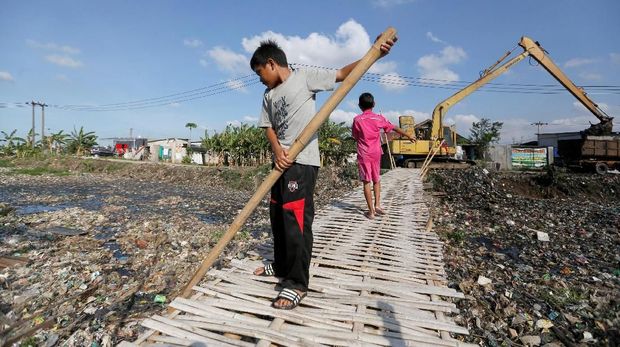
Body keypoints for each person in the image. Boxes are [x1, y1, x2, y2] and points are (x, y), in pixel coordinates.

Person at [250, 36, 396, 310]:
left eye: (260, 73)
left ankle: (296, 283)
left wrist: (373, 54)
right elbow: (267, 126)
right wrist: (276, 150)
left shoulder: (304, 78)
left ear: (271, 63)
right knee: (278, 217)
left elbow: (341, 74)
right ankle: (282, 265)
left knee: (296, 222)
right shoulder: (268, 95)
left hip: (302, 161)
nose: (260, 79)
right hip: (279, 164)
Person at [352, 92, 415, 220]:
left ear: (359, 106)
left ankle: (371, 212)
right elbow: (394, 128)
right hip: (376, 153)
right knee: (376, 179)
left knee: (366, 182)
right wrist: (408, 135)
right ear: (374, 104)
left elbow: (355, 136)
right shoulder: (379, 118)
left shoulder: (357, 120)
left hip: (364, 153)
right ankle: (378, 205)